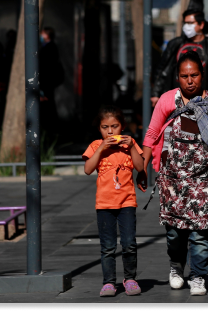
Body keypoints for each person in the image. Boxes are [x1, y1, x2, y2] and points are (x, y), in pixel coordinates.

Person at [139, 51, 208, 296]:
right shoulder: (166, 100)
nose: (190, 80)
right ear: (178, 77)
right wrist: (142, 166)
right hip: (172, 181)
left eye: (194, 75)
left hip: (204, 182)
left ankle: (198, 276)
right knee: (175, 233)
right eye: (184, 76)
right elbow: (152, 134)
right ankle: (176, 266)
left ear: (202, 74)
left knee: (199, 233)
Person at [82, 106, 145, 297]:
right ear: (99, 129)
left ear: (123, 126)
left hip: (127, 202)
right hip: (104, 204)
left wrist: (132, 146)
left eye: (115, 126)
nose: (110, 131)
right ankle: (109, 282)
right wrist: (101, 148)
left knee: (129, 243)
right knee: (108, 246)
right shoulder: (95, 145)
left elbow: (140, 167)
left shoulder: (130, 143)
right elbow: (87, 169)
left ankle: (130, 278)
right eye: (105, 127)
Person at [151, 0, 208, 107]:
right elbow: (163, 70)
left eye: (190, 23)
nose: (186, 26)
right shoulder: (175, 44)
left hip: (205, 102)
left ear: (201, 25)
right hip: (177, 102)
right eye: (185, 23)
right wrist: (156, 93)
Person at [39, 27, 65, 137]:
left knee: (48, 105)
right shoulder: (48, 47)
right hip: (47, 80)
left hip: (47, 80)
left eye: (42, 34)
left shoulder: (49, 47)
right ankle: (51, 129)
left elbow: (47, 65)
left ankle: (51, 129)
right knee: (48, 104)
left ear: (47, 35)